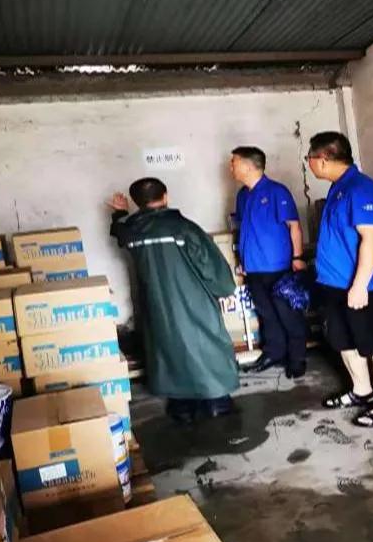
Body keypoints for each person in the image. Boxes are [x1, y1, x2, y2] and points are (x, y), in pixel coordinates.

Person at [108, 178, 239, 424]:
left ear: (137, 203)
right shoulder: (184, 229)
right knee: (205, 346)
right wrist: (224, 289)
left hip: (156, 305)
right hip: (192, 301)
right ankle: (216, 402)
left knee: (167, 350)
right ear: (165, 196)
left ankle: (181, 406)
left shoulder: (133, 232)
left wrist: (120, 214)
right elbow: (212, 268)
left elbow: (120, 232)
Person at [307, 131, 373, 428]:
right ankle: (362, 390)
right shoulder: (339, 188)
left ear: (323, 159)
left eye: (309, 157)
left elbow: (372, 239)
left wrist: (360, 285)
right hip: (335, 285)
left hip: (363, 287)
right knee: (343, 340)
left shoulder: (361, 188)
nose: (309, 163)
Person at [230, 146, 308, 378]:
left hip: (279, 267)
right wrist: (243, 261)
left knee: (288, 315)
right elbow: (245, 229)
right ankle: (274, 353)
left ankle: (297, 359)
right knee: (267, 315)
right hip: (254, 268)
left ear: (247, 166)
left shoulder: (277, 192)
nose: (231, 167)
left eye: (234, 163)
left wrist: (297, 258)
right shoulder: (242, 195)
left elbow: (294, 226)